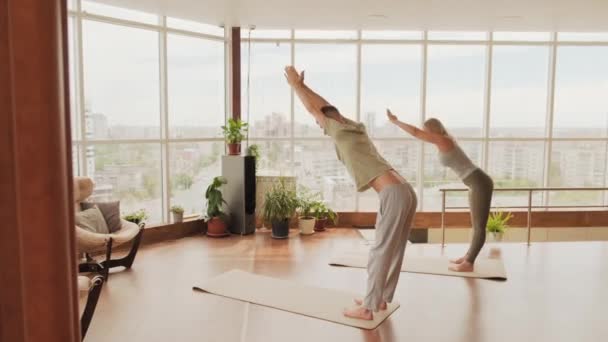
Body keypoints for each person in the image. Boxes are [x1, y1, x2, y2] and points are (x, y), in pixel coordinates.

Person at [284, 66, 417, 321]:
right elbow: (324, 106)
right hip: (405, 190)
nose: (318, 124)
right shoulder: (354, 127)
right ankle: (379, 299)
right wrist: (304, 86)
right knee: (394, 249)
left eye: (320, 122)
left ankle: (367, 309)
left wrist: (295, 86)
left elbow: (314, 109)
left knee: (380, 249)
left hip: (393, 194)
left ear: (328, 122)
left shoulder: (337, 131)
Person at [386, 109, 494, 272]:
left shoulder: (444, 140)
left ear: (432, 130)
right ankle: (468, 257)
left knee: (479, 226)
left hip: (480, 183)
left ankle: (469, 263)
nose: (425, 134)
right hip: (475, 183)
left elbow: (415, 132)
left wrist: (396, 121)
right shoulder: (443, 141)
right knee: (475, 224)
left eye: (426, 130)